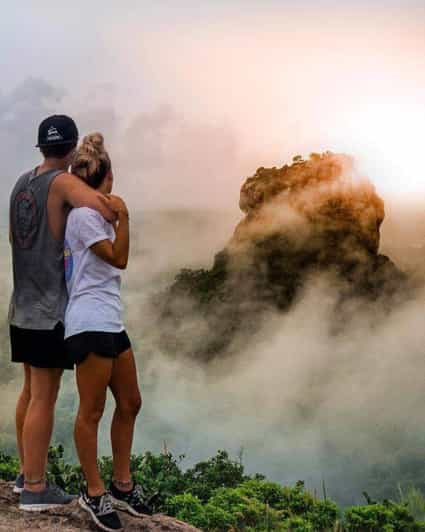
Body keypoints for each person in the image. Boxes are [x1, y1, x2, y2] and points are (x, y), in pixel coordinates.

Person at [9, 114, 116, 511]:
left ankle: (25, 474)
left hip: (21, 303)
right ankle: (36, 488)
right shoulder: (63, 182)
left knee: (29, 392)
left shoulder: (22, 182)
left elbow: (13, 237)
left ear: (41, 147)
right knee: (45, 397)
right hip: (49, 308)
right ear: (71, 151)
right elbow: (105, 209)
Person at [64, 133, 148, 532]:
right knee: (92, 410)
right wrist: (125, 217)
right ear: (108, 176)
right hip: (87, 321)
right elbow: (119, 258)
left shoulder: (94, 213)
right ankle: (94, 494)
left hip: (110, 319)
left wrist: (114, 216)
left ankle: (122, 485)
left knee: (130, 402)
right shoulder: (83, 217)